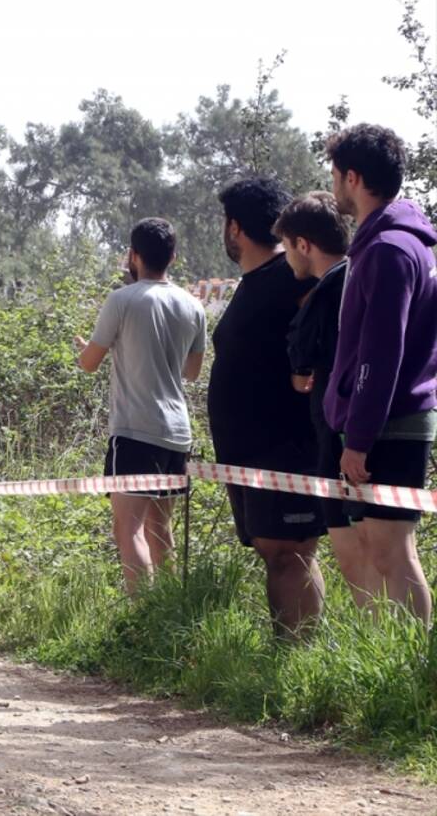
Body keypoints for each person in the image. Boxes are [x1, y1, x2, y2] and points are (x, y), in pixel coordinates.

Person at [325, 124, 437, 624]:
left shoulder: (390, 250)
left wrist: (360, 438)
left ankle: (417, 674)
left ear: (353, 177)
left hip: (394, 422)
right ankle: (391, 661)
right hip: (387, 420)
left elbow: (380, 354)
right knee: (376, 544)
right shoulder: (388, 244)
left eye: (334, 174)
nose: (331, 185)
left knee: (393, 549)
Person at [209, 178, 327, 639]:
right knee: (276, 555)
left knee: (291, 555)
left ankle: (301, 659)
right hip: (252, 456)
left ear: (235, 227)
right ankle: (291, 658)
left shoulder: (293, 277)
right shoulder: (255, 282)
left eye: (225, 223)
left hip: (286, 452)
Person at [74, 218, 206, 594]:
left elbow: (88, 363)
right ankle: (166, 609)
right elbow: (192, 372)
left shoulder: (122, 300)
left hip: (135, 429)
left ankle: (142, 617)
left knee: (127, 528)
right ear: (174, 257)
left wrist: (86, 346)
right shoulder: (193, 305)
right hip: (176, 432)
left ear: (133, 256)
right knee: (159, 528)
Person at [276, 191, 379, 607]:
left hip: (340, 436)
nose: (286, 257)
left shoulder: (334, 287)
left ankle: (381, 650)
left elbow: (302, 358)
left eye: (287, 246)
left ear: (304, 245)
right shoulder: (354, 278)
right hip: (343, 431)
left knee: (360, 553)